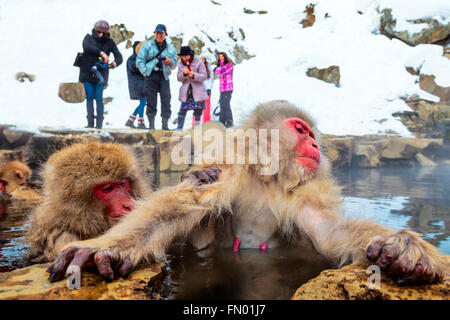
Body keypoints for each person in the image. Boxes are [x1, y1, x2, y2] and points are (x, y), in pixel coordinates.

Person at [79, 20, 122, 129]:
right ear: (95, 30)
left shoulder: (110, 42)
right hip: (87, 72)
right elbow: (87, 47)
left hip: (101, 75)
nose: (101, 34)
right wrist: (102, 53)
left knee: (99, 98)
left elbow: (119, 57)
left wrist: (113, 64)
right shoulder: (88, 38)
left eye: (103, 32)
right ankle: (90, 124)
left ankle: (99, 125)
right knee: (89, 97)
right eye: (99, 32)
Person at [136, 24, 177, 130]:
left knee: (166, 100)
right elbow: (139, 61)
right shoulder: (147, 45)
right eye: (157, 33)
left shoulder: (170, 48)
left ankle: (165, 124)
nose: (159, 35)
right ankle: (151, 125)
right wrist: (146, 72)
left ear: (165, 34)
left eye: (161, 33)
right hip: (151, 76)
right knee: (151, 101)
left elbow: (174, 64)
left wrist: (170, 62)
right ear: (154, 34)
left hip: (164, 76)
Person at [176, 46, 208, 130]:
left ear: (190, 55)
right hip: (186, 91)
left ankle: (197, 129)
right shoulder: (180, 63)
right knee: (182, 110)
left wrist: (194, 75)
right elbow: (179, 78)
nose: (184, 58)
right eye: (182, 56)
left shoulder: (199, 62)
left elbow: (204, 76)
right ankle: (179, 128)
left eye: (186, 56)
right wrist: (184, 74)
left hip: (198, 91)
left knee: (198, 111)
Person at [125, 41, 147, 129]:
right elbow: (134, 68)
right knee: (143, 102)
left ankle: (130, 120)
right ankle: (140, 122)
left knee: (143, 102)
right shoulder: (132, 59)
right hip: (137, 84)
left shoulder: (138, 58)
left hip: (141, 83)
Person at [191, 56, 214, 128]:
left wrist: (209, 89)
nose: (202, 60)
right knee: (197, 108)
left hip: (206, 90)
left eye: (203, 59)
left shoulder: (208, 68)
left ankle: (206, 124)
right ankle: (195, 125)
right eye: (201, 59)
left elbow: (211, 79)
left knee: (206, 108)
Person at [213, 52, 234, 128]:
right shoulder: (220, 66)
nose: (221, 58)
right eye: (220, 57)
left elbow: (222, 72)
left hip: (228, 88)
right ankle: (221, 122)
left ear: (225, 57)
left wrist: (215, 69)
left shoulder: (229, 65)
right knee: (222, 105)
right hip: (222, 89)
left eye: (222, 56)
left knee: (226, 105)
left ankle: (229, 121)